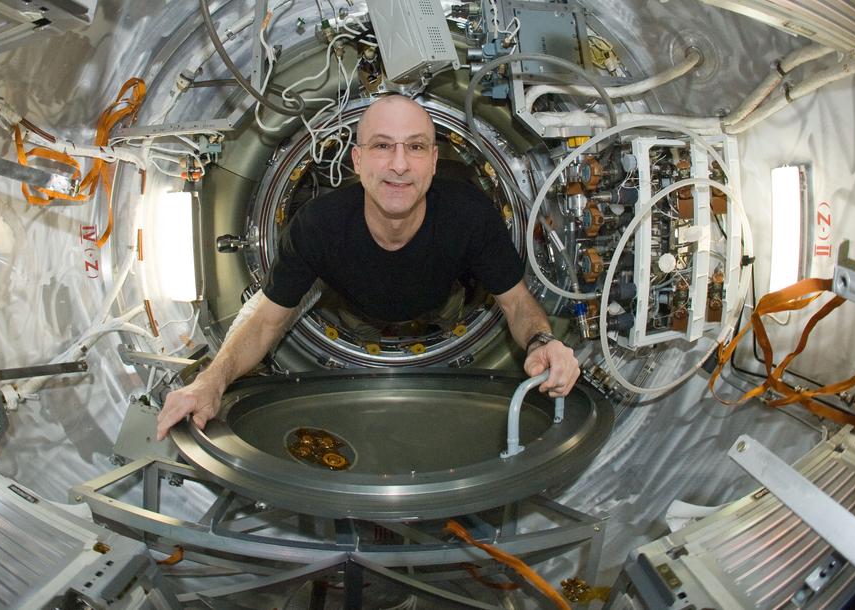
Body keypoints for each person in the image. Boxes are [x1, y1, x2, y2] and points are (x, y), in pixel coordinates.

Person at [156, 93, 579, 439]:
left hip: (443, 306)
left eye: (415, 147)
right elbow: (266, 320)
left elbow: (516, 301)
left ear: (434, 160)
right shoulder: (318, 226)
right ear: (356, 160)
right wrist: (209, 384)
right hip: (347, 310)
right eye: (382, 146)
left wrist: (543, 343)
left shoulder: (470, 216)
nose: (399, 164)